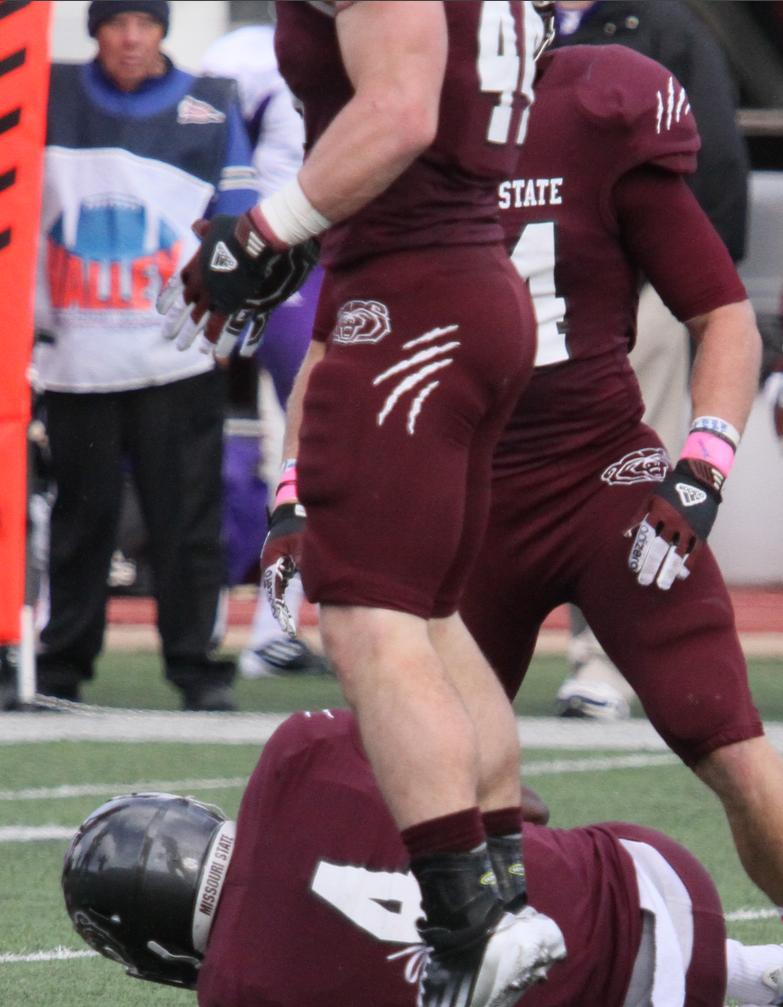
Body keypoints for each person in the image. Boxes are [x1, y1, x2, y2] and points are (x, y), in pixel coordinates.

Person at [158, 2, 567, 1002]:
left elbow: (399, 109)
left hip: (415, 297)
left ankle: (468, 926)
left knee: (370, 620)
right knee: (428, 615)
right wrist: (304, 235)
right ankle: (507, 894)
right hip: (466, 279)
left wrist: (265, 231)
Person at [456, 39, 783, 913]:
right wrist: (303, 487)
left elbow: (721, 314)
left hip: (602, 482)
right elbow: (349, 335)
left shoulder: (595, 108)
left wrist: (698, 473)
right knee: (412, 786)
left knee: (730, 745)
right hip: (464, 502)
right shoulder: (402, 114)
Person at [62, 707, 783, 1007]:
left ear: (151, 950)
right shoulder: (295, 751)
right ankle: (750, 970)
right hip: (658, 882)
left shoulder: (236, 991)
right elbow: (517, 797)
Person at [33, 1, 259, 711]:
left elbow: (239, 221)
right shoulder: (45, 92)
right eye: (115, 22)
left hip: (178, 353)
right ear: (93, 29)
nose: (131, 38)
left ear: (163, 29)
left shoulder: (211, 103)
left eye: (145, 23)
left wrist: (231, 325)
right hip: (74, 356)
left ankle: (195, 667)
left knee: (186, 520)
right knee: (79, 518)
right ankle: (61, 664)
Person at [551, 0, 751, 720]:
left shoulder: (663, 29)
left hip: (634, 288)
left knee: (629, 469)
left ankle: (610, 658)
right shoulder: (498, 24)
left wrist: (688, 278)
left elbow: (714, 163)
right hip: (520, 287)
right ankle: (473, 649)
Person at [201, 22, 329, 679]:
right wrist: (235, 230)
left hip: (361, 251)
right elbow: (200, 133)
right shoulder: (243, 55)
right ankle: (254, 631)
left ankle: (305, 625)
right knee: (308, 439)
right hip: (283, 255)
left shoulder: (395, 28)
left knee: (353, 445)